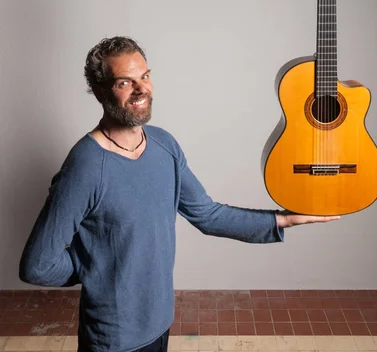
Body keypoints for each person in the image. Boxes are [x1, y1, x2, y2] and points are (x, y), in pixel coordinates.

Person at [19, 36, 340, 352]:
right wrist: (93, 269)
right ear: (102, 91)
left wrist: (283, 219)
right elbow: (38, 265)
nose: (141, 89)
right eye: (124, 82)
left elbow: (208, 215)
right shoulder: (86, 166)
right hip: (114, 339)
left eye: (144, 76)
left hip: (160, 322)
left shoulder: (164, 146)